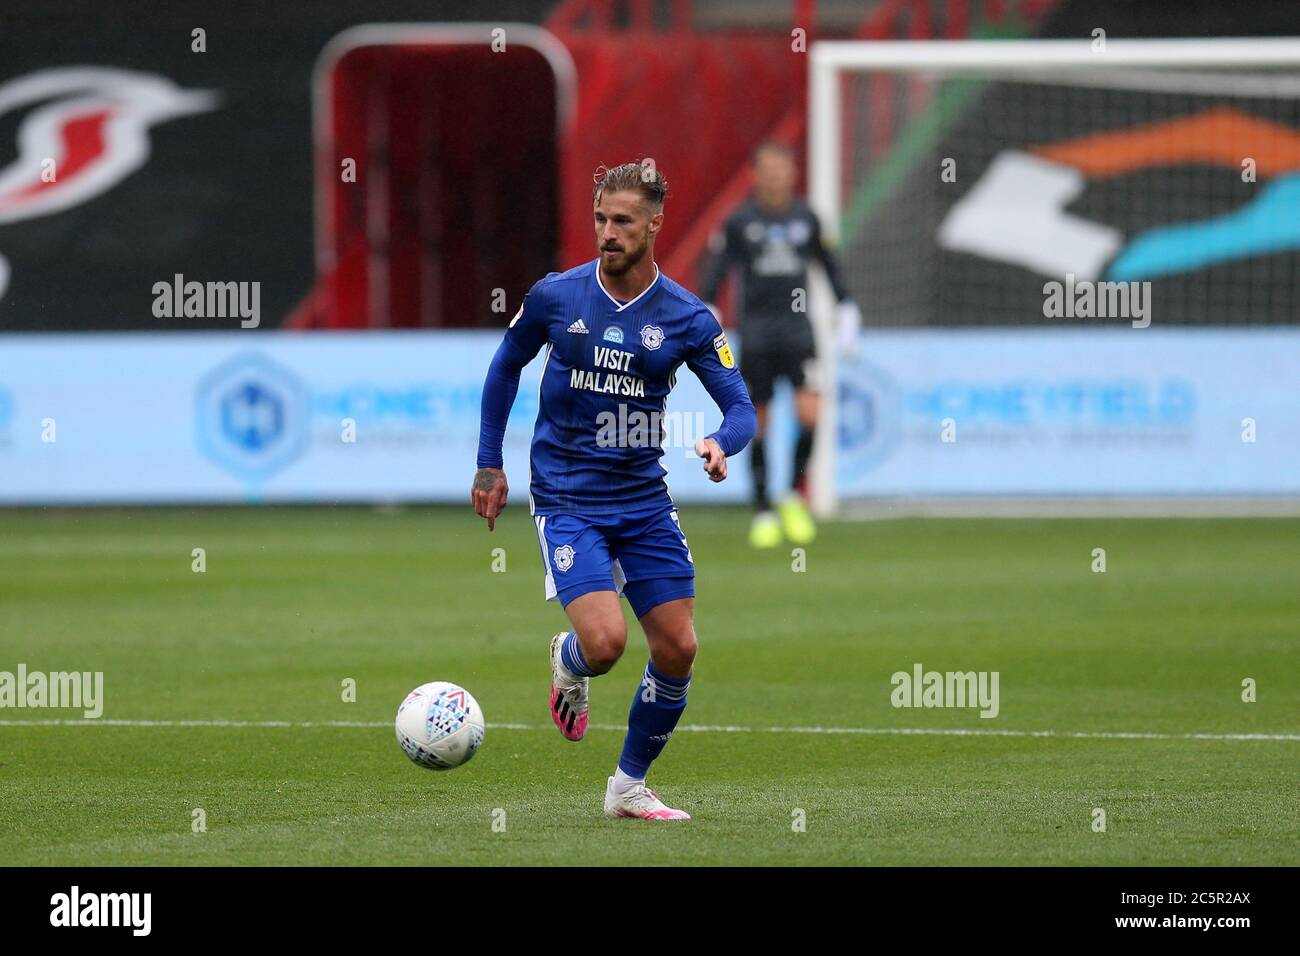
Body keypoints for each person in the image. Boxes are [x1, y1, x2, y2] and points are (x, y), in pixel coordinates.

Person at [472, 160, 756, 820]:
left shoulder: (689, 317)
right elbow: (505, 365)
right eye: (600, 219)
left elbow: (740, 406)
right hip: (568, 496)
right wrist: (490, 463)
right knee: (605, 645)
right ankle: (569, 662)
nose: (608, 232)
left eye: (623, 221)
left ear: (655, 224)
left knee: (679, 648)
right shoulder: (556, 298)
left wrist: (721, 443)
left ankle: (627, 786)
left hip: (643, 498)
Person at [699, 141, 862, 548]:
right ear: (756, 174)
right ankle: (763, 510)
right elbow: (716, 273)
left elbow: (830, 267)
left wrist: (846, 309)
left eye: (782, 168)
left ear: (792, 173)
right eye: (767, 169)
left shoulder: (807, 219)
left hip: (798, 333)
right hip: (756, 335)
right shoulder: (739, 223)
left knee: (811, 414)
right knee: (759, 422)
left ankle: (790, 494)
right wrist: (708, 310)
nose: (775, 176)